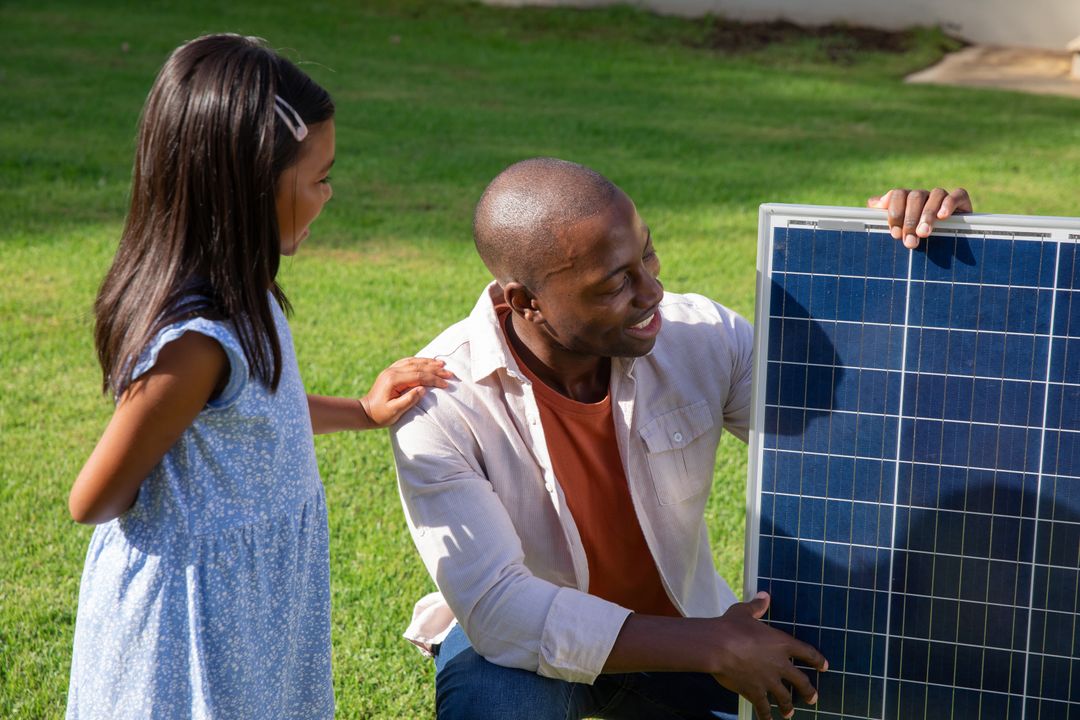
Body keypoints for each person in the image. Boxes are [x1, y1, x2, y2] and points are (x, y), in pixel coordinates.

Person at [389, 157, 971, 720]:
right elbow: (500, 610)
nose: (652, 293)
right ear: (525, 302)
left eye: (647, 256)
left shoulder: (703, 337)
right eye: (616, 282)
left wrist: (924, 266)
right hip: (528, 653)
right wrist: (713, 647)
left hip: (690, 626)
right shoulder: (439, 403)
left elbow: (850, 443)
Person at [65, 34, 451, 719]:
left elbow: (256, 415)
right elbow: (92, 499)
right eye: (318, 177)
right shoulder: (193, 342)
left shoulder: (250, 294)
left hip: (253, 599)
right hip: (193, 614)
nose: (329, 194)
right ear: (248, 188)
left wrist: (363, 409)